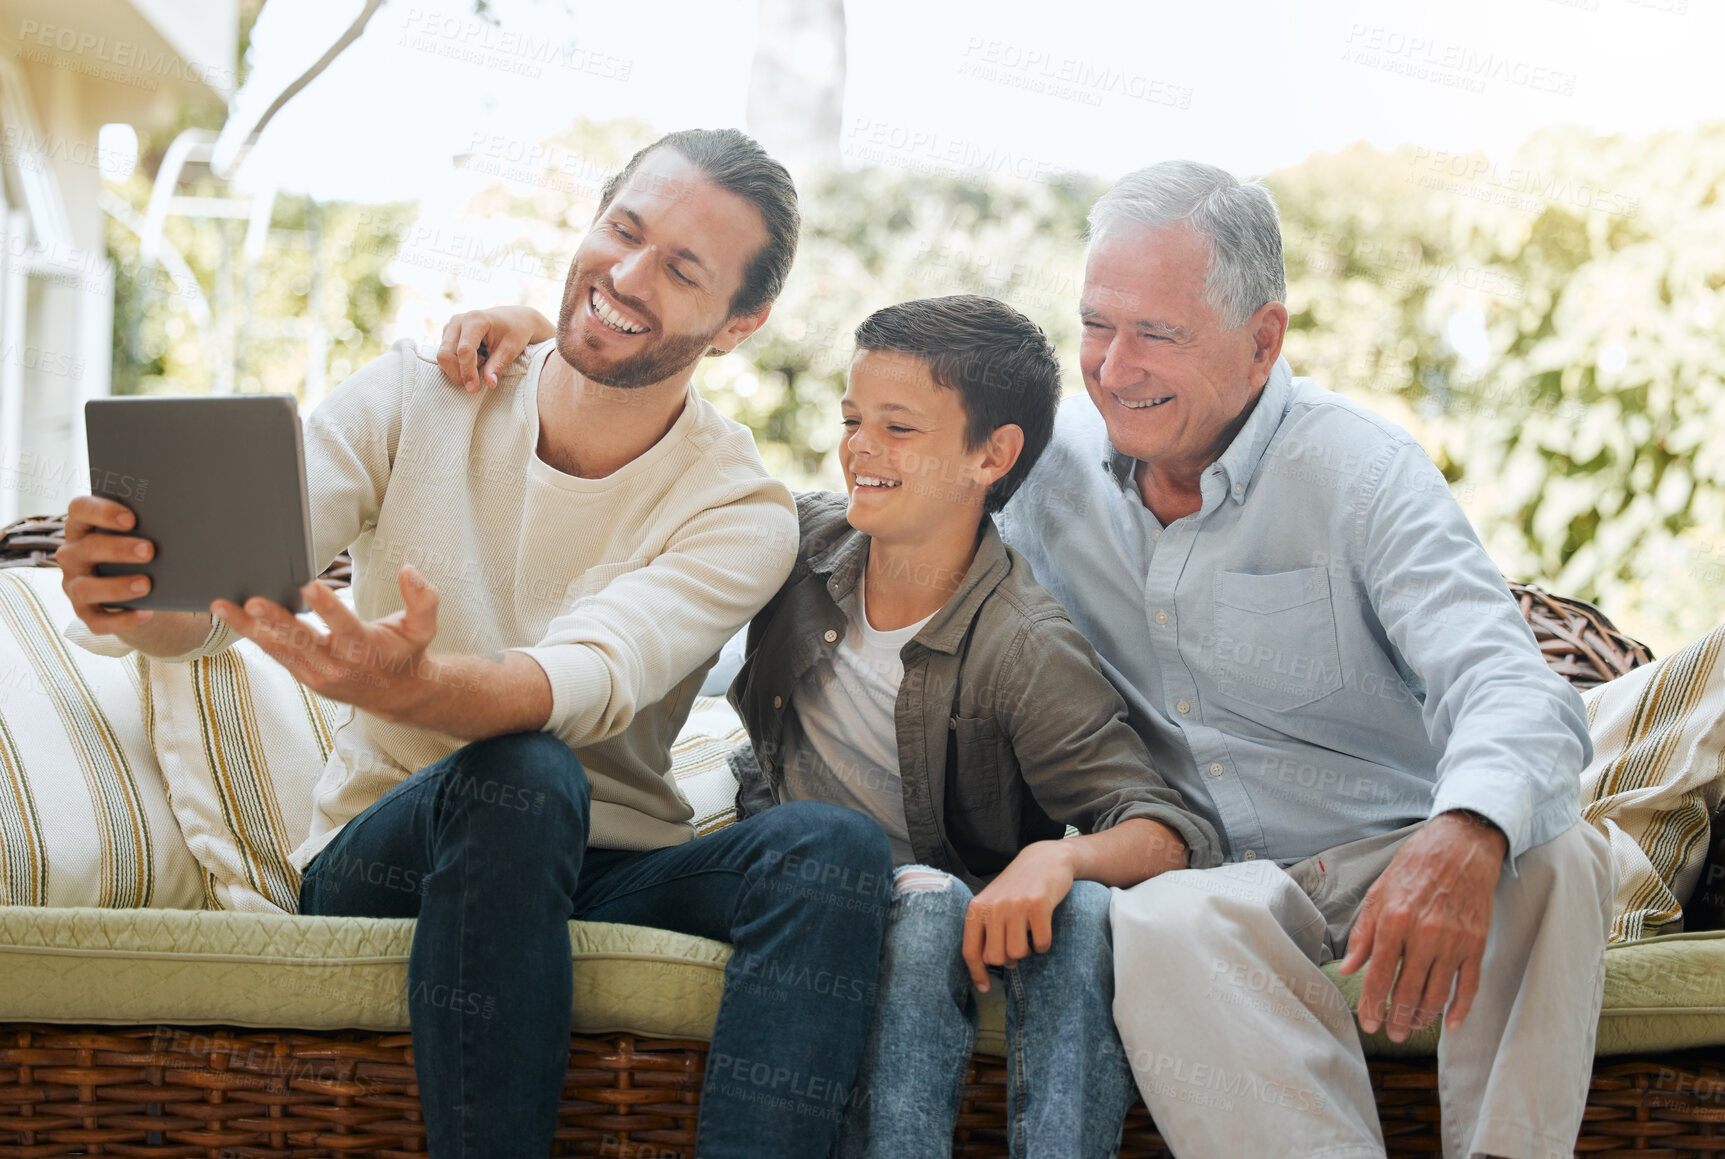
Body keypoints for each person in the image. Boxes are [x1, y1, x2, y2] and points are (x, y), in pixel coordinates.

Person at [56, 128, 893, 1159]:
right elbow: (221, 591)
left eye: (683, 270)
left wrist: (410, 686)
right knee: (523, 778)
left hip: (601, 860)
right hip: (390, 855)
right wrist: (127, 595)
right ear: (592, 221)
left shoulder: (738, 509)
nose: (627, 275)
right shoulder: (421, 392)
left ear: (739, 323)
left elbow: (583, 678)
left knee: (836, 852)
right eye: (623, 230)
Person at [438, 292, 1221, 1159]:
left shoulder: (1024, 647)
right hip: (794, 881)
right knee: (830, 853)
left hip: (930, 913)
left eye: (899, 429)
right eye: (852, 420)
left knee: (938, 908)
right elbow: (673, 444)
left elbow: (1170, 831)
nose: (860, 450)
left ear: (991, 454)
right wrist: (549, 339)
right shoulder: (798, 544)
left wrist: (1060, 854)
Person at [991, 160, 1613, 1158]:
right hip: (1200, 875)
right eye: (1096, 324)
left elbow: (1508, 681)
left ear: (1262, 340)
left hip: (1384, 848)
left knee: (1554, 850)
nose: (1112, 365)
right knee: (1159, 921)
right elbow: (876, 562)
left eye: (1156, 331)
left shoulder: (1361, 470)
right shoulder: (1043, 465)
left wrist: (1465, 827)